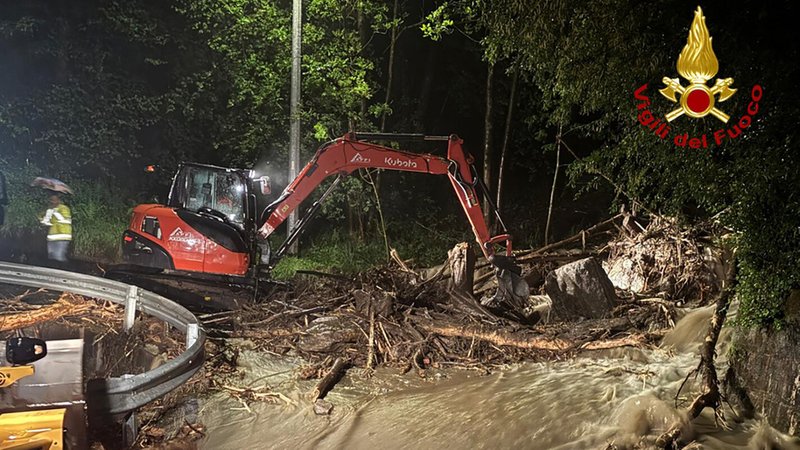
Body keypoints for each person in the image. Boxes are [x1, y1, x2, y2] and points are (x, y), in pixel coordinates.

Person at [40, 194, 72, 262]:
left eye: (54, 200)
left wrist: (54, 212)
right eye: (51, 200)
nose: (52, 201)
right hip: (52, 237)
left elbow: (65, 220)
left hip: (62, 237)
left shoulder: (64, 208)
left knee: (59, 257)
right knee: (52, 257)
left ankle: (63, 271)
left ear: (59, 200)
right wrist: (44, 219)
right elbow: (45, 221)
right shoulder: (50, 209)